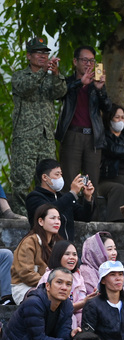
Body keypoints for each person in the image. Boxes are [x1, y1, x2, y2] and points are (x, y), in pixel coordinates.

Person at [9, 37, 67, 213]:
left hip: (46, 137)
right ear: (29, 56)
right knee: (22, 180)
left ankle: (43, 214)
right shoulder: (19, 76)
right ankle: (20, 217)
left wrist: (56, 74)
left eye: (45, 53)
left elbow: (61, 92)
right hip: (25, 136)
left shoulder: (49, 78)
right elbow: (26, 88)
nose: (43, 56)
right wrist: (44, 72)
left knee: (47, 179)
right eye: (38, 53)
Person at [0, 268, 78, 340]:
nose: (64, 287)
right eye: (59, 282)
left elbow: (62, 335)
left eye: (68, 284)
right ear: (48, 286)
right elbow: (39, 339)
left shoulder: (66, 306)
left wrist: (71, 334)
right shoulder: (34, 303)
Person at [55, 45, 112, 188]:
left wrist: (100, 90)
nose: (89, 64)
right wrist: (80, 83)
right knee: (69, 183)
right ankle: (67, 211)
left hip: (93, 138)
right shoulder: (67, 82)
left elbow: (108, 109)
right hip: (72, 136)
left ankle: (90, 210)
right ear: (75, 62)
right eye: (85, 60)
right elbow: (59, 94)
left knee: (91, 186)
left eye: (92, 61)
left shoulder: (96, 84)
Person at [25, 158, 94, 241]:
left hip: (66, 248)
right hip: (46, 248)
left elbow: (85, 217)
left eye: (61, 175)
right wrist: (72, 193)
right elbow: (50, 210)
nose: (60, 178)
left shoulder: (63, 197)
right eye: (57, 175)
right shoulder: (34, 197)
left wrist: (88, 198)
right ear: (44, 177)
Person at [11, 204, 63, 304]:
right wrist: (52, 283)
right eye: (52, 218)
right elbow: (26, 275)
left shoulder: (57, 243)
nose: (57, 222)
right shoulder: (29, 242)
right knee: (46, 299)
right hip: (25, 287)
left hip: (50, 286)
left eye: (58, 218)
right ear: (40, 221)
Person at [99, 105, 124, 221]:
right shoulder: (103, 135)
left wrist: (122, 151)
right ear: (109, 118)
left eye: (123, 117)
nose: (120, 120)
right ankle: (115, 222)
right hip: (108, 179)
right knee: (120, 187)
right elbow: (113, 150)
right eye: (117, 117)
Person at [35, 240, 90, 328]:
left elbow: (81, 302)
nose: (72, 257)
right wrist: (83, 303)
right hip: (52, 318)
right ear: (58, 256)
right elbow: (54, 308)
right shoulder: (49, 276)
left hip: (75, 315)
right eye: (67, 254)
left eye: (74, 254)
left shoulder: (78, 277)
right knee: (72, 318)